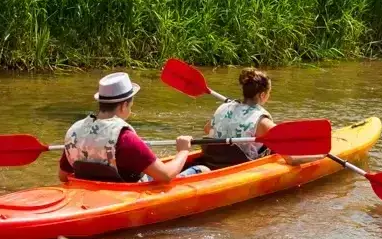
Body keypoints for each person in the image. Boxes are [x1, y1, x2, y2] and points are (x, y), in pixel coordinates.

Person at [59, 73, 208, 183]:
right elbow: (166, 176)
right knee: (202, 169)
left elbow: (63, 176)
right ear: (124, 105)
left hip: (93, 195)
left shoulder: (75, 131)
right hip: (127, 194)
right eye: (130, 105)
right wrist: (183, 151)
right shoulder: (125, 137)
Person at [202, 68, 322, 168]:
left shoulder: (224, 108)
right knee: (270, 146)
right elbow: (291, 159)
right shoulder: (262, 121)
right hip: (239, 166)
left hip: (212, 160)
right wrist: (321, 156)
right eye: (269, 93)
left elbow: (207, 129)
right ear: (262, 95)